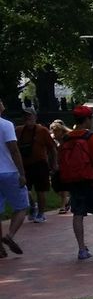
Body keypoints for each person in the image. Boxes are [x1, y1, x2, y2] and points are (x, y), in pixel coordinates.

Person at [58, 106, 93, 260]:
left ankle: (82, 249)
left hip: (74, 182)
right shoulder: (91, 137)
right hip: (92, 181)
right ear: (87, 119)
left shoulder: (66, 138)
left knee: (78, 213)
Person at [0, 99, 29, 259]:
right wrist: (22, 173)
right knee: (22, 206)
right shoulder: (6, 125)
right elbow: (14, 150)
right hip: (9, 171)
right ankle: (10, 235)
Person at [18, 109, 57, 223]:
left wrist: (53, 163)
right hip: (24, 165)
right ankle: (32, 206)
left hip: (40, 164)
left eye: (29, 116)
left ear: (35, 117)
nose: (27, 118)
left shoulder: (42, 130)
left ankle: (41, 213)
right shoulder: (19, 130)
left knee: (41, 190)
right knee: (24, 189)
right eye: (25, 116)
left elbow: (52, 148)